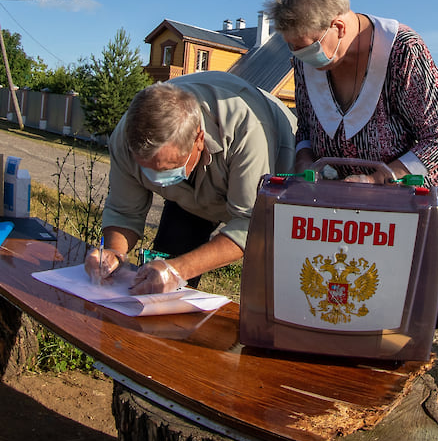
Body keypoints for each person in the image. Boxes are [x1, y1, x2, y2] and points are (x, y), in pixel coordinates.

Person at [261, 0, 438, 328]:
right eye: (292, 48)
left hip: (412, 190)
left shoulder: (402, 50)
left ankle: (400, 359)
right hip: (343, 193)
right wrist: (306, 156)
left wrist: (380, 180)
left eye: (305, 46)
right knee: (343, 286)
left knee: (402, 293)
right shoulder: (305, 58)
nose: (300, 56)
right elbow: (306, 125)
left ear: (338, 26)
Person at [84, 72, 297, 294]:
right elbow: (123, 212)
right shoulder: (126, 137)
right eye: (148, 169)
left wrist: (177, 270)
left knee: (272, 294)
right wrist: (113, 254)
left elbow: (251, 224)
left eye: (169, 167)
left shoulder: (246, 129)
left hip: (276, 182)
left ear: (199, 139)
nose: (158, 178)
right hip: (197, 191)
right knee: (162, 280)